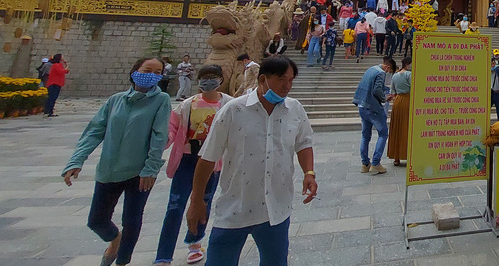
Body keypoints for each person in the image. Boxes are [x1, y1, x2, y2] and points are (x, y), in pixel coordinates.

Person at [185, 56, 316, 266]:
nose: (287, 86)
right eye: (282, 79)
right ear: (263, 79)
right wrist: (196, 201)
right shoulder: (234, 110)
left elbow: (304, 143)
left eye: (291, 80)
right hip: (236, 207)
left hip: (276, 208)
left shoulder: (295, 109)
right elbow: (208, 157)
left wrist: (309, 173)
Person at [62, 57, 171, 266]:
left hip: (140, 172)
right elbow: (95, 131)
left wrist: (151, 168)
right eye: (148, 70)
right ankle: (115, 240)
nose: (153, 75)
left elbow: (159, 136)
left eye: (158, 73)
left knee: (131, 221)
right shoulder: (115, 100)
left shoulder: (161, 100)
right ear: (134, 71)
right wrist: (76, 160)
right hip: (109, 170)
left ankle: (122, 261)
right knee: (96, 220)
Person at [154, 65, 233, 266]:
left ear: (220, 79)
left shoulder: (228, 104)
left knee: (202, 203)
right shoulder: (188, 104)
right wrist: (158, 145)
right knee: (175, 205)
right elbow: (171, 129)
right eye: (204, 78)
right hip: (188, 159)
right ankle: (163, 254)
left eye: (212, 77)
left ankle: (194, 243)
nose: (208, 81)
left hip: (212, 162)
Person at [352, 58, 397, 174]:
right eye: (389, 71)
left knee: (365, 135)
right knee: (383, 133)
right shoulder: (380, 72)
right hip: (372, 107)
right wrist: (384, 98)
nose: (387, 73)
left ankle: (365, 163)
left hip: (362, 105)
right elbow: (377, 89)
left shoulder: (371, 69)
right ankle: (376, 162)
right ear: (387, 67)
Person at [387, 57, 412, 167]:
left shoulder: (395, 75)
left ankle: (396, 157)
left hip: (397, 101)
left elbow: (392, 91)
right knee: (407, 127)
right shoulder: (409, 75)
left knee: (397, 128)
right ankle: (408, 154)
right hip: (407, 100)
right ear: (407, 64)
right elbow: (414, 88)